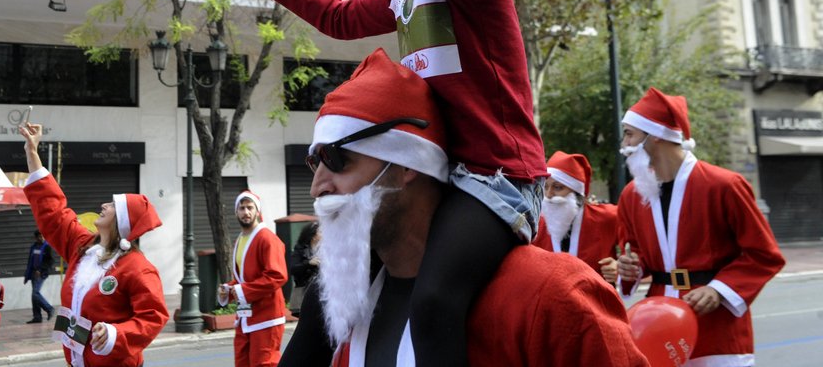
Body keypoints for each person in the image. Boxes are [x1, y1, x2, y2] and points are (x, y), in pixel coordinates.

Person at [263, 0, 562, 367]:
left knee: (434, 303)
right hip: (438, 173)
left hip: (500, 179)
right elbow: (342, 18)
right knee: (326, 308)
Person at [281, 49, 648, 366]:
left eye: (338, 158)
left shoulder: (550, 293)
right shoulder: (343, 308)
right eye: (316, 163)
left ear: (408, 164)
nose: (318, 187)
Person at [616, 87, 786, 366]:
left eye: (630, 134)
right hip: (656, 326)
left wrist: (719, 289)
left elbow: (764, 254)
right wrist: (632, 269)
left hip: (716, 326)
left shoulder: (725, 185)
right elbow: (635, 253)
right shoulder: (632, 196)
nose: (624, 144)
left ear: (655, 135)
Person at [18, 123, 169, 366]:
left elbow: (154, 316)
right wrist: (32, 152)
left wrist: (116, 334)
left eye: (111, 206)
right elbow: (54, 213)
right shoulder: (84, 247)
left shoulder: (138, 268)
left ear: (121, 221)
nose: (104, 206)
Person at [218, 190, 288, 367]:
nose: (246, 212)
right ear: (236, 212)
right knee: (242, 362)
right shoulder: (240, 239)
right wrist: (229, 289)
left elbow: (277, 275)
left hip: (266, 316)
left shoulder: (267, 238)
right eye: (241, 208)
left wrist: (242, 290)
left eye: (250, 207)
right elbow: (244, 279)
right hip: (245, 316)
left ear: (258, 211)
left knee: (264, 363)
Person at [533, 151, 619, 284]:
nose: (549, 195)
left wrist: (619, 267)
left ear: (576, 192)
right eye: (546, 187)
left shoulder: (607, 217)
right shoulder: (537, 226)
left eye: (557, 187)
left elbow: (638, 249)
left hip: (596, 302)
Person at [288, 221, 320, 316]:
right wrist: (309, 263)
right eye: (320, 232)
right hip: (303, 292)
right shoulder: (300, 249)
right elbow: (293, 268)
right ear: (313, 235)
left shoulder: (325, 248)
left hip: (320, 291)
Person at [24, 229, 55, 323]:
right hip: (33, 273)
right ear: (36, 238)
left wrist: (40, 269)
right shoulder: (33, 247)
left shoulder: (47, 247)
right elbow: (30, 261)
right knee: (34, 296)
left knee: (35, 293)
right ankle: (37, 316)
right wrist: (27, 275)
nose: (41, 238)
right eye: (39, 236)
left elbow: (50, 261)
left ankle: (49, 309)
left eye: (42, 236)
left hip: (41, 273)